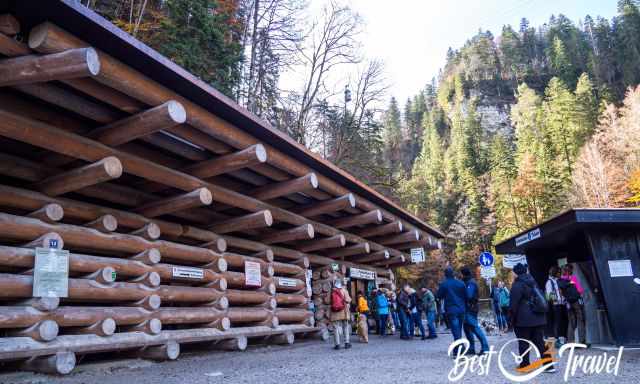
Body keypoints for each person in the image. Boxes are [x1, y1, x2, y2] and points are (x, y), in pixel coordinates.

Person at [509, 263, 549, 370]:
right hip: (539, 318)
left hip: (524, 320)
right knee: (540, 342)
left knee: (523, 342)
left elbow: (513, 305)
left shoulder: (517, 285)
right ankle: (549, 365)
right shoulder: (533, 282)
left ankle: (525, 365)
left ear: (516, 273)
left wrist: (511, 320)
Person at [437, 267, 467, 355]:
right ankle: (458, 348)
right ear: (453, 273)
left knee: (455, 330)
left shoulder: (444, 284)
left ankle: (459, 349)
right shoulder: (461, 283)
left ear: (445, 274)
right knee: (459, 329)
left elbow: (439, 296)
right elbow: (466, 296)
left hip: (451, 310)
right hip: (461, 309)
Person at [461, 267, 490, 354]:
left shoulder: (471, 283)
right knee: (467, 329)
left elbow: (469, 296)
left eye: (460, 274)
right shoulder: (468, 282)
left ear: (463, 274)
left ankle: (485, 348)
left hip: (471, 309)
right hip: (468, 308)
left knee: (475, 328)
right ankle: (471, 348)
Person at [561, 264, 587, 346]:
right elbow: (580, 290)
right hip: (576, 302)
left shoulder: (561, 280)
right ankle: (582, 340)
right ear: (570, 271)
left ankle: (570, 341)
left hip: (568, 303)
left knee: (571, 322)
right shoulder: (573, 278)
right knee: (580, 320)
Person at [545, 266, 567, 347]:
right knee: (556, 322)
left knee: (560, 321)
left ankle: (561, 337)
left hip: (561, 303)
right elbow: (549, 294)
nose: (560, 274)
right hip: (555, 305)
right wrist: (555, 301)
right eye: (558, 272)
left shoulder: (557, 281)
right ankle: (556, 340)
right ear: (555, 273)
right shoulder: (549, 282)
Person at [330, 279, 352, 350]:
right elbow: (348, 300)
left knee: (335, 328)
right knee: (345, 327)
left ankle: (337, 344)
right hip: (344, 311)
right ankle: (347, 343)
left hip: (335, 312)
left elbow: (328, 301)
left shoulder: (332, 291)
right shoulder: (345, 290)